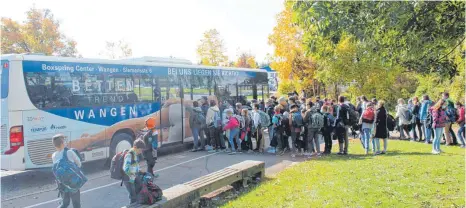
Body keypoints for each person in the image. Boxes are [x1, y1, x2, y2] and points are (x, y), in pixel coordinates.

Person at [52, 134, 82, 208]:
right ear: (62, 143)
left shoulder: (54, 155)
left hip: (62, 183)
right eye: (64, 141)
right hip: (73, 182)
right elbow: (79, 164)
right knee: (76, 204)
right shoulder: (70, 152)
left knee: (65, 203)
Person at [123, 139, 146, 204]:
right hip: (128, 179)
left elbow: (135, 164)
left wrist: (139, 170)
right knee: (133, 195)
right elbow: (126, 168)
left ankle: (137, 204)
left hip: (133, 176)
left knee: (137, 190)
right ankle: (133, 205)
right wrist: (133, 175)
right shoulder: (129, 155)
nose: (141, 152)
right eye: (140, 150)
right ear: (135, 147)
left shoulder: (135, 153)